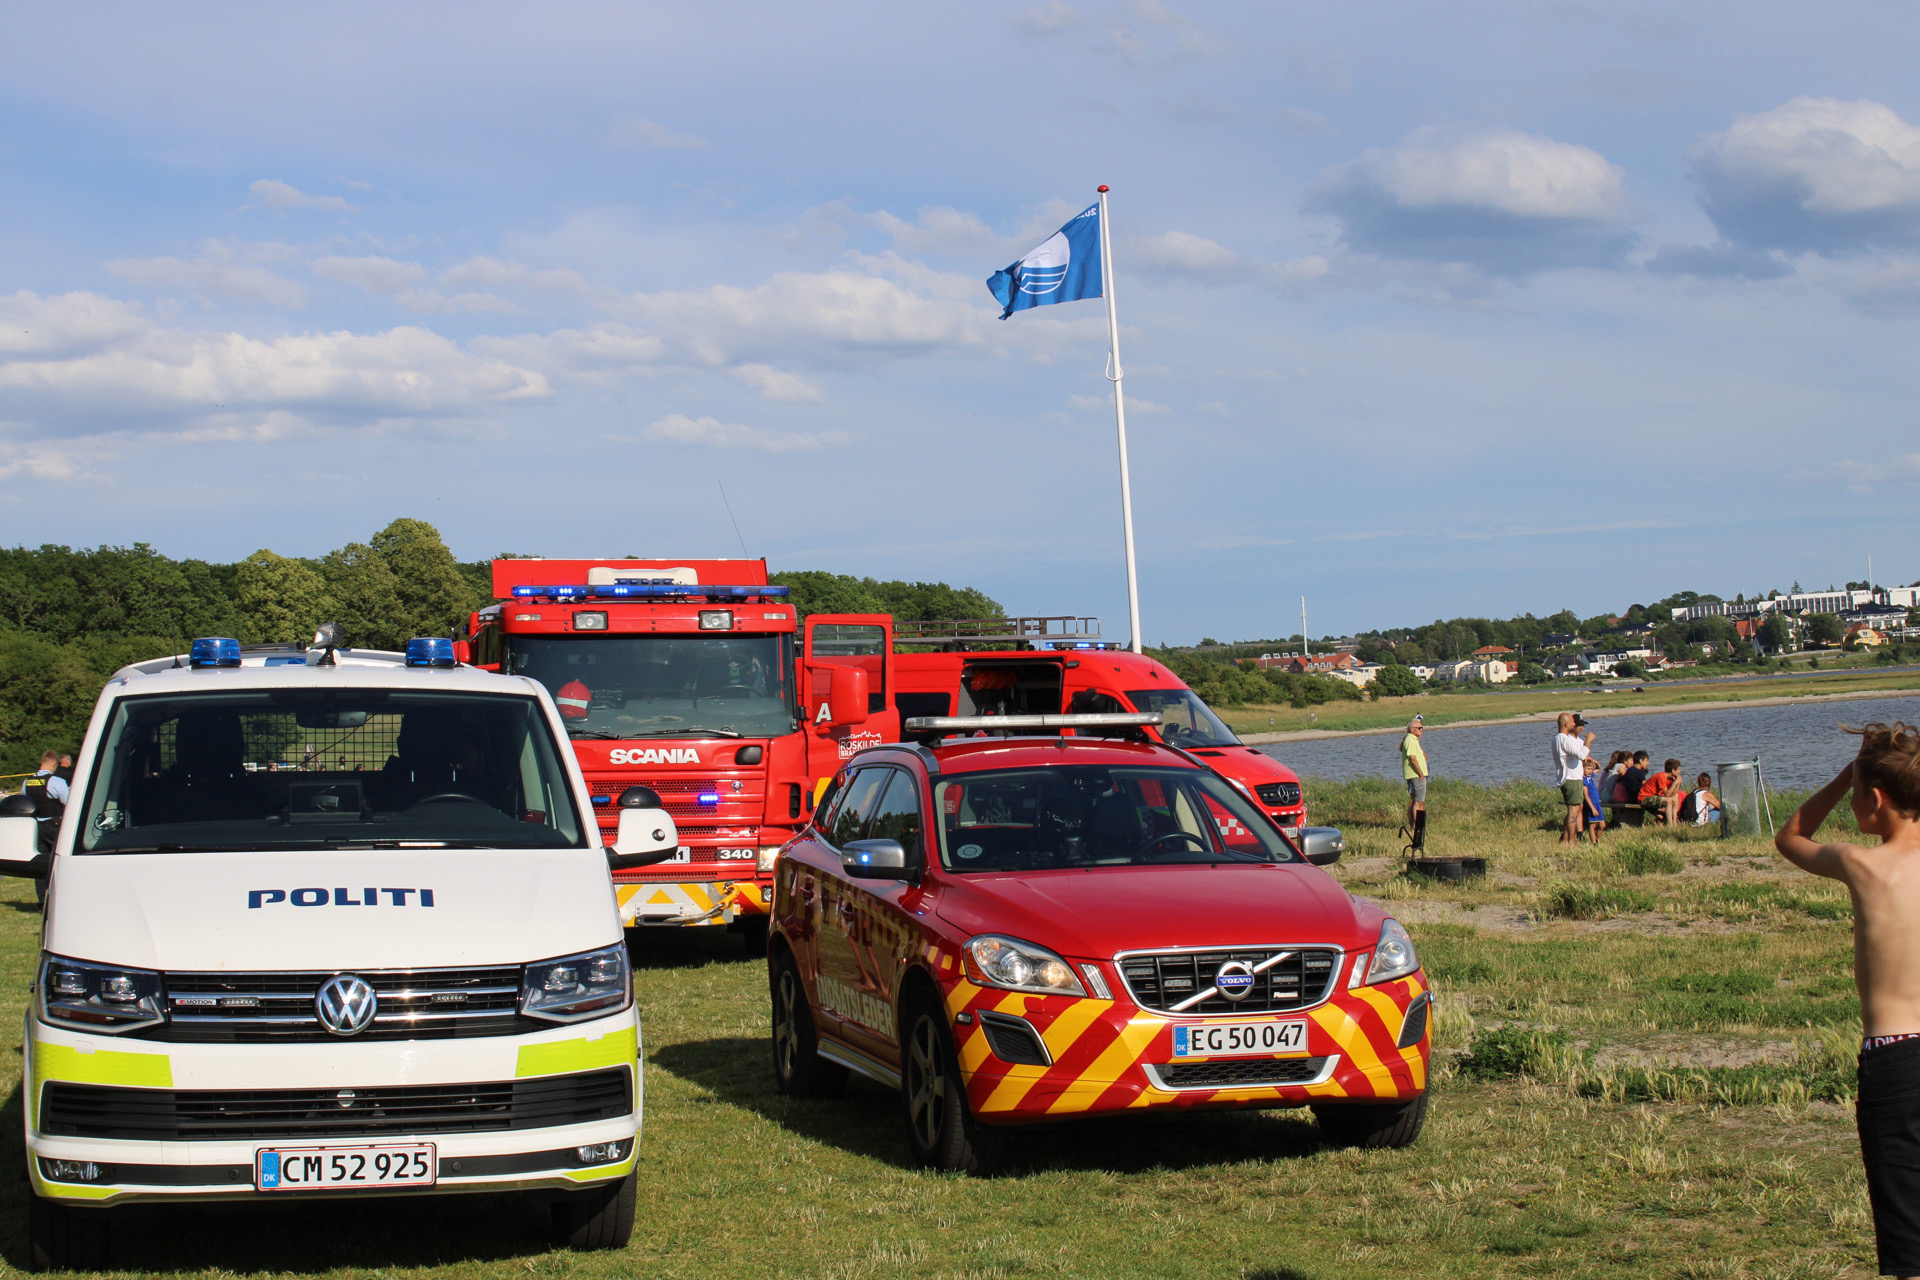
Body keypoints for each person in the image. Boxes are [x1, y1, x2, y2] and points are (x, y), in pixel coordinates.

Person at [1773, 722, 1920, 1278]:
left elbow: (1791, 837)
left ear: (1873, 799)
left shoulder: (1863, 863)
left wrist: (1844, 776)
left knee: (1907, 1221)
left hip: (1896, 1057)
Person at [1551, 713, 1595, 844]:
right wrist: (1589, 740)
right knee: (1573, 812)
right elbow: (1581, 754)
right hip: (1572, 779)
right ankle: (1571, 841)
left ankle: (1564, 839)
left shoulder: (1556, 739)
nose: (1574, 724)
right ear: (1566, 724)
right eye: (1572, 722)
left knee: (1573, 811)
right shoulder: (1565, 739)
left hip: (1565, 778)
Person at [18, 750, 69, 856]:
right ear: (54, 764)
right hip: (54, 828)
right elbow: (68, 803)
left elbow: (23, 802)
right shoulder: (57, 781)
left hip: (35, 828)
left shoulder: (26, 782)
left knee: (40, 862)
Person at [1399, 715, 1427, 836]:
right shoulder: (1410, 740)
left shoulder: (1412, 739)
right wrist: (1420, 774)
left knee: (1417, 800)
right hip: (1416, 775)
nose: (1421, 730)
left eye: (1422, 728)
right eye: (1419, 728)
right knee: (1418, 802)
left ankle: (1415, 826)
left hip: (1416, 775)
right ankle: (1417, 827)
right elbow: (1413, 759)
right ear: (1412, 729)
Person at [1640, 757, 1684, 826]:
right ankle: (1669, 824)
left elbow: (1673, 794)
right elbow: (1667, 794)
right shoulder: (1661, 776)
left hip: (1654, 798)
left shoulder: (1670, 778)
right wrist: (1675, 783)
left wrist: (1677, 783)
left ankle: (1674, 823)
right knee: (1668, 801)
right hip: (1645, 798)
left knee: (1675, 800)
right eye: (1678, 769)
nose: (1679, 771)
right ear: (1673, 770)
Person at [1582, 756, 1606, 843]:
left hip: (1597, 803)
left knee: (1602, 824)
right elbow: (1586, 795)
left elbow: (1598, 769)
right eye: (1588, 769)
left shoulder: (1591, 776)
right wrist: (1592, 808)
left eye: (1591, 769)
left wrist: (1595, 763)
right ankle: (1594, 842)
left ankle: (1598, 839)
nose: (1590, 771)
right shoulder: (1584, 780)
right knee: (1592, 825)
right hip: (1591, 805)